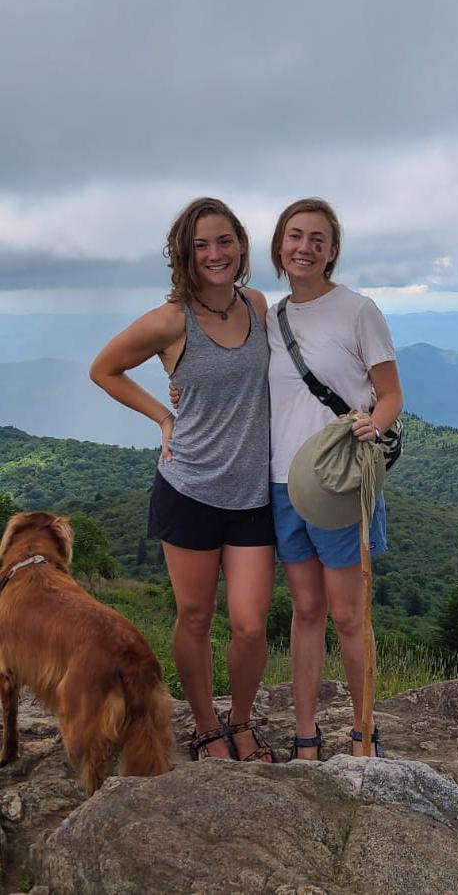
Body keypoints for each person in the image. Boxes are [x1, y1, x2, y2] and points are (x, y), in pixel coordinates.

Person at [90, 197, 276, 762]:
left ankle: (240, 720)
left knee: (250, 624)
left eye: (224, 241)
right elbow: (104, 369)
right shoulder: (172, 320)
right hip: (189, 486)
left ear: (241, 245)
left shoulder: (257, 305)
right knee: (195, 616)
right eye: (201, 246)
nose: (215, 254)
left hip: (252, 492)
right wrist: (164, 417)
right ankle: (207, 726)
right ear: (184, 255)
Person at [267, 197, 403, 758]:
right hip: (283, 482)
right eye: (295, 236)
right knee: (305, 610)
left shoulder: (358, 311)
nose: (304, 247)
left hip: (341, 482)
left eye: (317, 239)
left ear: (332, 251)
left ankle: (364, 732)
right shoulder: (270, 318)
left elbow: (390, 393)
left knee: (348, 615)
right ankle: (306, 736)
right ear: (279, 245)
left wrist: (376, 423)